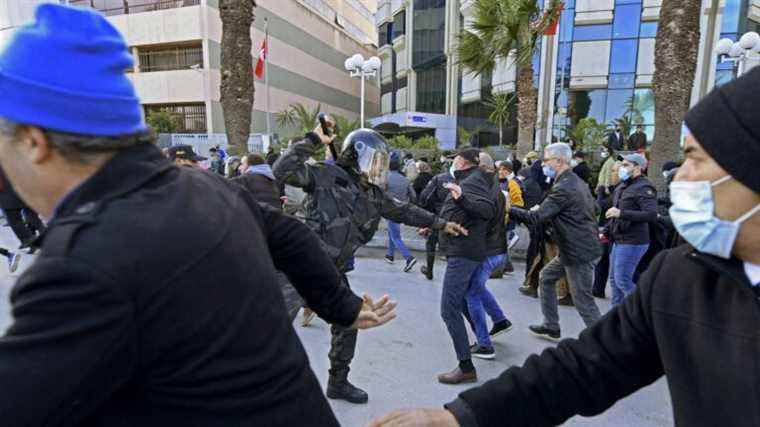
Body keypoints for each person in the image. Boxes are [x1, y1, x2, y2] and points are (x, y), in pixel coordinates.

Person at [0, 5, 397, 426]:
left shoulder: (83, 264)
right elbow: (289, 235)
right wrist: (342, 307)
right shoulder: (207, 189)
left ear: (34, 142)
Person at [369, 65, 760, 427]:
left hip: (575, 250)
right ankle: (545, 322)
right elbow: (586, 365)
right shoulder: (682, 278)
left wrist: (512, 213)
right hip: (572, 250)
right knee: (551, 286)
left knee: (583, 295)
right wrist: (462, 417)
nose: (678, 181)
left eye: (694, 159)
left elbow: (533, 215)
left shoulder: (558, 187)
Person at [274, 125, 466, 403]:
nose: (380, 168)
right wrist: (314, 140)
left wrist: (442, 223)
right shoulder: (326, 176)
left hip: (332, 271)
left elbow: (405, 211)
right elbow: (282, 170)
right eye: (376, 161)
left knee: (348, 322)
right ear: (358, 155)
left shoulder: (374, 195)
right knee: (272, 326)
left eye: (383, 163)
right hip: (298, 265)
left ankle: (338, 382)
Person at [509, 143, 602, 341]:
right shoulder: (575, 182)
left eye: (546, 160)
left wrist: (508, 208)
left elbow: (537, 217)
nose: (543, 165)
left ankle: (605, 345)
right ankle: (551, 325)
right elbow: (594, 208)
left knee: (583, 301)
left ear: (559, 161)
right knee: (546, 277)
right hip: (575, 247)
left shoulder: (565, 187)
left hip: (579, 251)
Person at [436, 148, 496, 384]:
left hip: (464, 252)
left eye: (457, 159)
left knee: (448, 308)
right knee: (460, 301)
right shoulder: (469, 180)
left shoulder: (474, 181)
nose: (454, 162)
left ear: (464, 163)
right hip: (463, 249)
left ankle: (466, 367)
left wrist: (461, 197)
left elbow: (486, 211)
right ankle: (484, 342)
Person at [465, 152, 513, 360]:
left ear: (480, 167)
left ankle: (484, 344)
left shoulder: (485, 190)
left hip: (488, 251)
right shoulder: (496, 187)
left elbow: (480, 220)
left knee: (471, 292)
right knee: (478, 287)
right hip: (496, 249)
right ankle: (500, 319)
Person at [604, 153, 658, 306]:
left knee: (623, 280)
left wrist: (622, 213)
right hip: (619, 239)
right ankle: (616, 319)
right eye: (622, 165)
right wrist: (607, 229)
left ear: (638, 168)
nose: (622, 168)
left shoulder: (644, 187)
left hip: (633, 241)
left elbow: (651, 214)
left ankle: (643, 312)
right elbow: (615, 211)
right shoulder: (623, 185)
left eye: (626, 165)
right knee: (615, 281)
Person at [418, 162, 456, 281]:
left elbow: (425, 197)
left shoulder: (439, 179)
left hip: (438, 217)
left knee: (431, 243)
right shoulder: (467, 180)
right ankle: (454, 274)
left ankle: (429, 270)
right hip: (457, 219)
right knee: (453, 247)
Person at [592, 160, 622, 298]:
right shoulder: (615, 188)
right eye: (612, 171)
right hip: (608, 230)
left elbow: (601, 206)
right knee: (603, 262)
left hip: (616, 233)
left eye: (614, 171)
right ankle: (597, 289)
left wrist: (600, 194)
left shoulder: (619, 190)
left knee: (619, 277)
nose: (612, 174)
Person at [385, 152, 418, 272]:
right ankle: (390, 255)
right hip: (402, 209)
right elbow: (413, 196)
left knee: (395, 236)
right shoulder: (405, 180)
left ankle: (409, 258)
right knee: (392, 232)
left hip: (390, 209)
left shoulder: (386, 178)